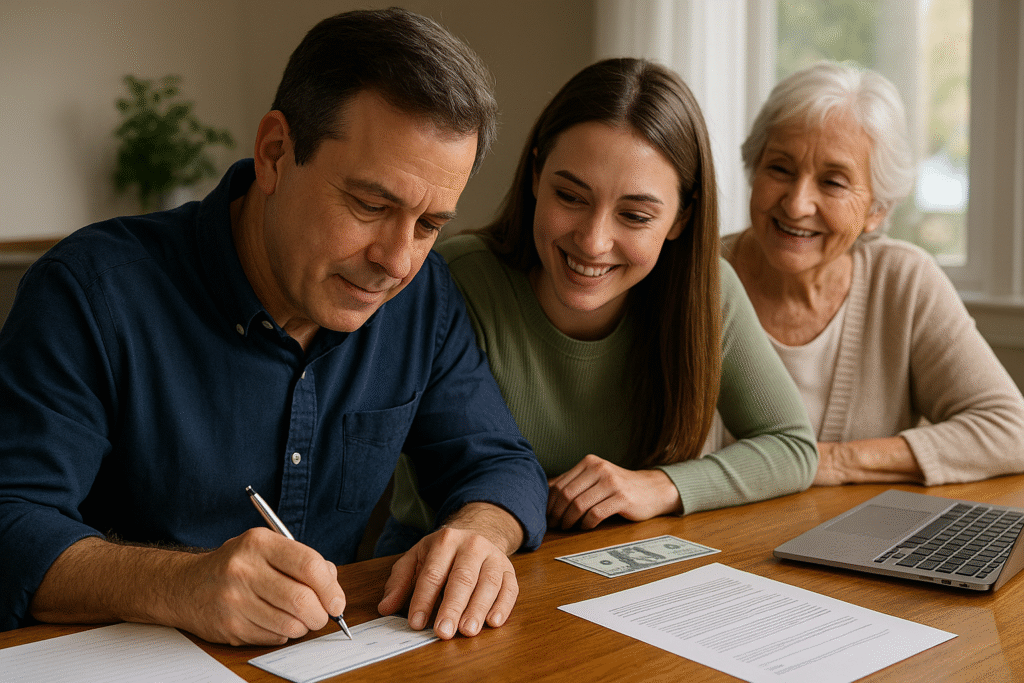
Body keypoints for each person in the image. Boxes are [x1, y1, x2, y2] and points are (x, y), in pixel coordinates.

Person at [0, 8, 549, 645]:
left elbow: (500, 463)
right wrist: (180, 585)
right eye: (371, 205)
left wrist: (483, 530)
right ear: (274, 154)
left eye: (430, 226)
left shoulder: (421, 297)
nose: (396, 261)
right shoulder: (91, 290)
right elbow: (11, 522)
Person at [379, 58, 818, 556]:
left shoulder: (707, 293)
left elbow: (792, 447)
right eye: (570, 196)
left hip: (614, 558)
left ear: (681, 218)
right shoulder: (452, 279)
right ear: (535, 175)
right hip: (438, 559)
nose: (592, 241)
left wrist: (657, 486)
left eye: (634, 215)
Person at [722, 60, 1024, 486]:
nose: (796, 204)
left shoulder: (902, 281)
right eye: (780, 169)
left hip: (859, 543)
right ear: (755, 168)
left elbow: (1010, 430)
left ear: (877, 210)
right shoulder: (698, 278)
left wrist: (832, 462)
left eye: (833, 182)